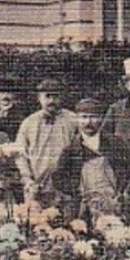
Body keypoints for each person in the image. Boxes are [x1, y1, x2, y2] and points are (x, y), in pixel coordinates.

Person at [58, 97, 130, 222]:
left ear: (101, 118)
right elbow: (59, 178)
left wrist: (123, 194)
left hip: (115, 207)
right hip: (84, 211)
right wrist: (77, 193)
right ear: (77, 120)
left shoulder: (115, 144)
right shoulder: (70, 151)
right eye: (84, 117)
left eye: (93, 117)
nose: (88, 122)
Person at [15, 77, 80, 209]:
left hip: (66, 187)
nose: (51, 101)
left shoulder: (73, 120)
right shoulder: (29, 123)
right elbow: (19, 153)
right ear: (39, 98)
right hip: (36, 186)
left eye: (55, 96)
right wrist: (27, 178)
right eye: (47, 96)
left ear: (62, 97)